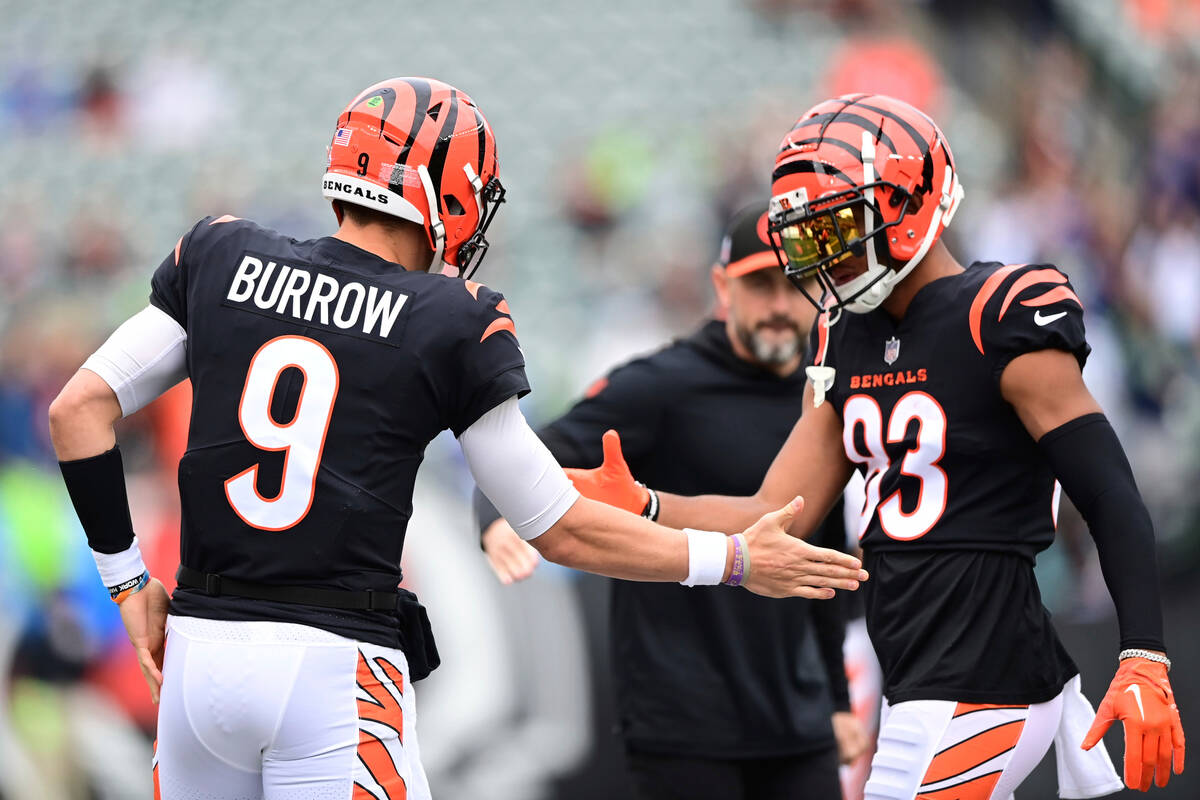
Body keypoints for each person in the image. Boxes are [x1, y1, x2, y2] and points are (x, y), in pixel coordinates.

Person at [45, 78, 868, 800]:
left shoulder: (222, 254)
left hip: (198, 657)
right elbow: (558, 522)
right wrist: (732, 559)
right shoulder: (450, 317)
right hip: (332, 667)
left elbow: (77, 410)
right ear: (448, 189)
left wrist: (127, 586)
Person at [562, 93, 1186, 797]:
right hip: (921, 672)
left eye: (836, 229)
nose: (824, 257)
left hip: (984, 669)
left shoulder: (999, 315)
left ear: (910, 201)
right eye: (809, 238)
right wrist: (648, 504)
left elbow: (1106, 490)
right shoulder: (844, 338)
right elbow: (779, 512)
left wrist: (1144, 654)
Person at [476, 203, 870, 800]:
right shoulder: (660, 384)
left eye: (796, 285)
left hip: (799, 721)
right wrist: (503, 518)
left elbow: (817, 549)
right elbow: (530, 454)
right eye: (759, 285)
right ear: (722, 286)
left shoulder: (826, 394)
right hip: (681, 722)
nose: (780, 307)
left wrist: (837, 700)